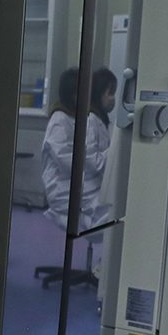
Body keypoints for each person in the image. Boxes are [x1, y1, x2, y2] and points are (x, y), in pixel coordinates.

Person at [39, 66, 118, 233]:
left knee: (110, 207)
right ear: (72, 94)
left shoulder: (78, 117)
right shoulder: (59, 121)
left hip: (78, 182)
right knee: (106, 215)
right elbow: (68, 161)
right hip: (63, 187)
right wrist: (109, 156)